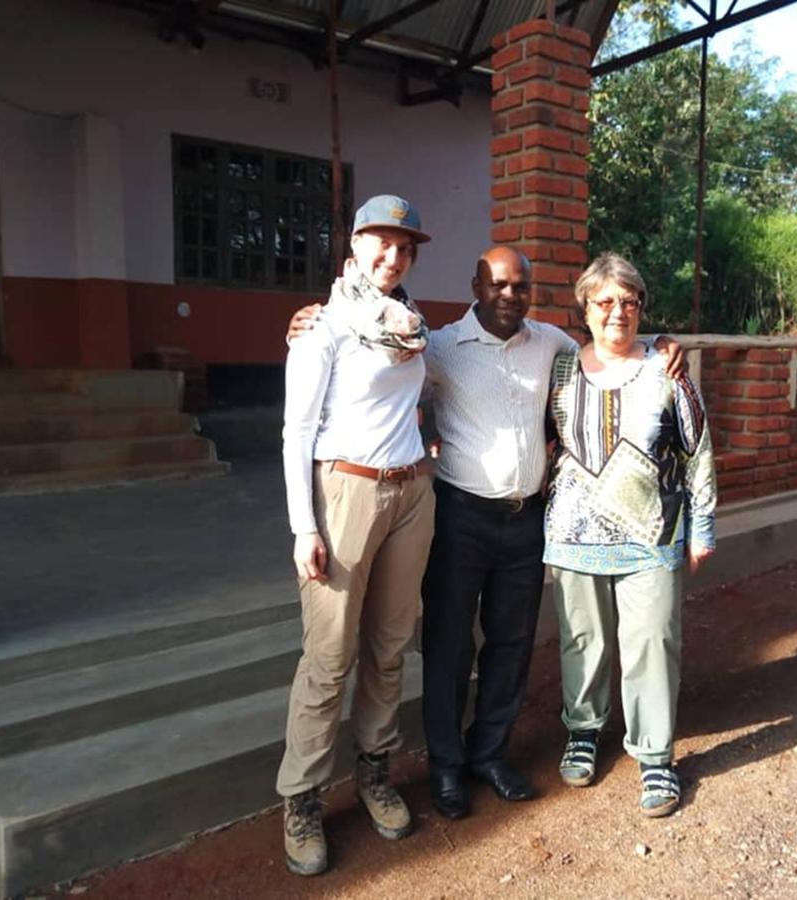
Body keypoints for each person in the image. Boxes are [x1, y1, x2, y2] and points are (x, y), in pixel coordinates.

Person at [287, 247, 685, 822]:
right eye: (498, 285)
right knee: (449, 645)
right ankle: (446, 765)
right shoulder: (440, 347)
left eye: (520, 287)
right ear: (476, 285)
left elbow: (613, 348)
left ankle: (490, 754)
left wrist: (665, 343)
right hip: (459, 518)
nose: (510, 296)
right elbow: (371, 381)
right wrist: (305, 324)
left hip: (525, 521)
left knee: (511, 642)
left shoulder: (552, 345)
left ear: (532, 292)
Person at [277, 194, 436, 877]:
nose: (393, 256)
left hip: (410, 494)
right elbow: (296, 434)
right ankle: (302, 797)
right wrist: (302, 526)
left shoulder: (412, 325)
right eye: (381, 242)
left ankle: (374, 769)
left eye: (405, 247)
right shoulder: (324, 326)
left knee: (391, 644)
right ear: (353, 246)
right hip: (345, 490)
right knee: (329, 654)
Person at [543, 253, 716, 818]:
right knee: (582, 642)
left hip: (651, 532)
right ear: (585, 308)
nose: (618, 312)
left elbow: (697, 453)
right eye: (605, 302)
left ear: (642, 308)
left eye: (629, 301)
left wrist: (702, 527)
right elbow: (542, 440)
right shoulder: (563, 369)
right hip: (573, 534)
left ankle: (655, 756)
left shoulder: (667, 370)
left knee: (651, 644)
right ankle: (584, 730)